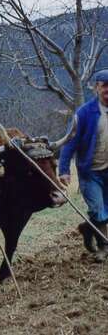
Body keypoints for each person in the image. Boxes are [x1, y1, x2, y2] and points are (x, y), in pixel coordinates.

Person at [59, 69, 108, 262]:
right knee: (97, 210)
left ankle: (88, 229)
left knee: (105, 210)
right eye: (105, 86)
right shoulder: (85, 113)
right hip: (90, 172)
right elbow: (69, 142)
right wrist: (63, 170)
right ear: (96, 87)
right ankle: (104, 247)